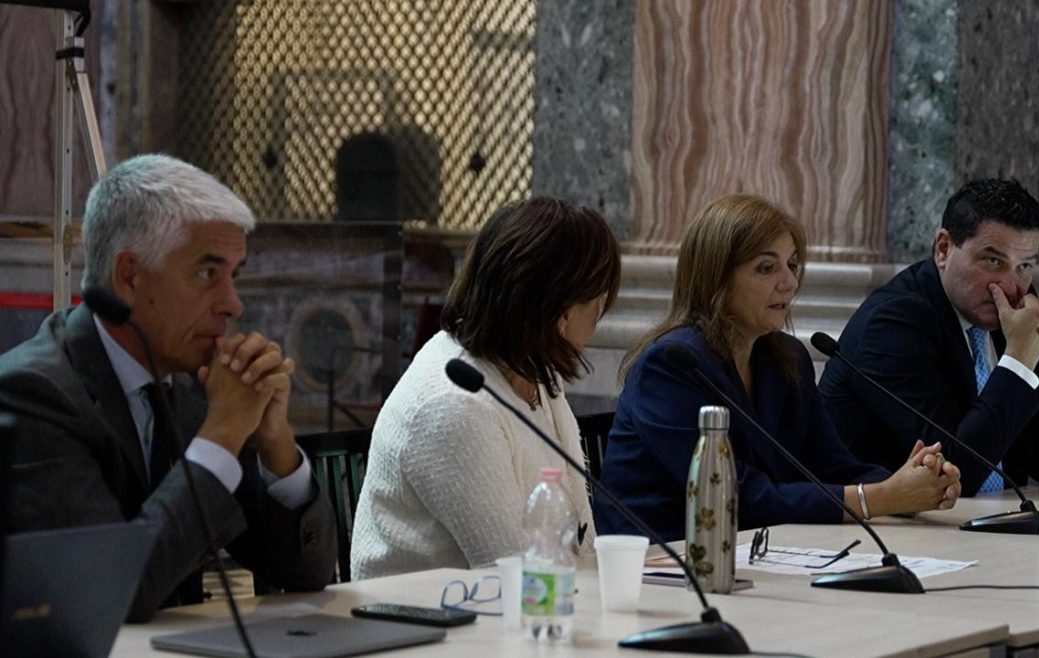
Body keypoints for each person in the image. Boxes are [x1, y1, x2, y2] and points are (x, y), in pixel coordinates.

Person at [0, 155, 337, 622]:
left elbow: (306, 572)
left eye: (234, 276)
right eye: (207, 274)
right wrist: (222, 433)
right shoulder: (34, 392)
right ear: (129, 276)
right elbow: (111, 592)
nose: (233, 304)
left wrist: (274, 443)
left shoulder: (195, 383)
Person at [597, 194, 960, 541]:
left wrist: (916, 483)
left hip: (759, 550)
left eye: (792, 265)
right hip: (663, 561)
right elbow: (734, 496)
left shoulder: (787, 359)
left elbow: (831, 467)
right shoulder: (672, 365)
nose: (789, 283)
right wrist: (879, 498)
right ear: (716, 277)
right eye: (766, 268)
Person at [350, 197, 621, 578]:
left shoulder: (534, 370)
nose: (600, 314)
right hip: (426, 612)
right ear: (559, 310)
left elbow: (578, 538)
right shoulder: (453, 404)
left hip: (512, 604)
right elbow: (512, 568)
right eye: (597, 297)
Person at [819, 178, 1039, 496]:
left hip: (991, 515)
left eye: (1024, 266)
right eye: (993, 261)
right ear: (943, 249)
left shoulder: (1012, 309)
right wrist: (1020, 360)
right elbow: (954, 474)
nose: (1011, 286)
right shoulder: (892, 324)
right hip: (884, 521)